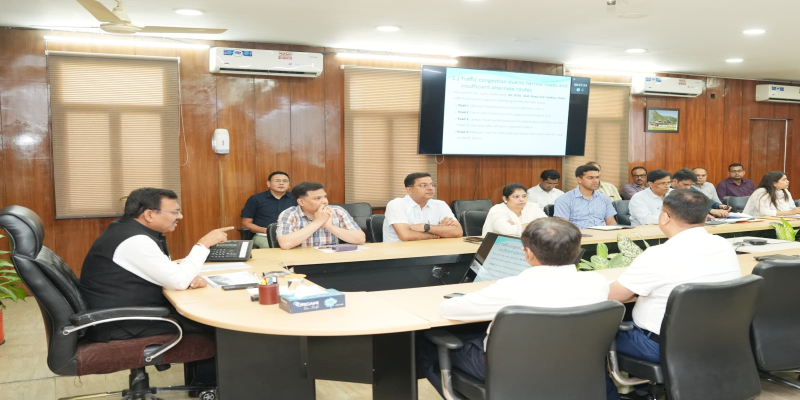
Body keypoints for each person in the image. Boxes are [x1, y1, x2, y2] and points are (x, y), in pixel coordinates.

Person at [417, 218, 612, 399]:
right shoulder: (598, 282)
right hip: (576, 363)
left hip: (509, 369)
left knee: (425, 346)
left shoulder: (510, 287)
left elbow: (448, 310)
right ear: (577, 251)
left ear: (528, 253)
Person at [607, 189, 741, 399]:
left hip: (659, 345)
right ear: (705, 216)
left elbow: (615, 296)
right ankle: (644, 389)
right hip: (716, 339)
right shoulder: (723, 244)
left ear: (665, 217)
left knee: (590, 334)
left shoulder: (659, 254)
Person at [80, 188, 232, 342]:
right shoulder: (134, 241)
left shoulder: (125, 230)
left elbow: (168, 272)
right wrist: (203, 245)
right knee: (220, 323)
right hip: (124, 323)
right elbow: (179, 281)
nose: (180, 216)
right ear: (149, 215)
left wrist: (189, 276)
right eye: (175, 212)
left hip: (128, 314)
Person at [275, 181, 365, 249]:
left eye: (325, 197)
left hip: (333, 259)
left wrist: (329, 226)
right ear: (301, 202)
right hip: (302, 261)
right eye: (317, 198)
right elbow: (285, 244)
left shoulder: (337, 211)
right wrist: (317, 222)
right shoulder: (289, 214)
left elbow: (360, 239)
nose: (325, 201)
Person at [383, 172, 463, 242]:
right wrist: (438, 234)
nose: (430, 188)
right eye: (423, 185)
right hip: (400, 252)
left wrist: (426, 227)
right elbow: (406, 235)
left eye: (432, 184)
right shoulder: (396, 204)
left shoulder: (440, 205)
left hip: (431, 250)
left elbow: (458, 232)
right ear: (409, 190)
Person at [241, 171, 297, 248]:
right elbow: (246, 224)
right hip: (263, 235)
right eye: (277, 181)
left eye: (285, 181)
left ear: (289, 184)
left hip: (290, 235)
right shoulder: (256, 199)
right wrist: (268, 231)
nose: (281, 183)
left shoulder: (296, 199)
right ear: (268, 183)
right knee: (272, 248)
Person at [554, 165, 617, 229]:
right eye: (590, 178)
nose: (595, 181)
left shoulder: (604, 198)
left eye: (597, 177)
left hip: (601, 233)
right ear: (579, 180)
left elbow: (611, 222)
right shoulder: (564, 199)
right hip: (578, 234)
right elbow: (563, 227)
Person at [482, 183, 547, 236]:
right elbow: (506, 230)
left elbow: (547, 225)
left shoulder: (532, 207)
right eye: (516, 197)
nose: (521, 199)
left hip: (527, 244)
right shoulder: (497, 209)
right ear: (505, 199)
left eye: (524, 196)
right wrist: (533, 226)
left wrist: (516, 226)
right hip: (498, 244)